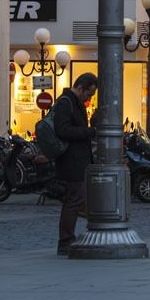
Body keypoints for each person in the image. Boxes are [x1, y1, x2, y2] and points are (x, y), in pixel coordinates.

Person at [53, 73, 98, 257]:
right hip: (71, 161)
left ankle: (69, 238)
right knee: (74, 201)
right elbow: (62, 130)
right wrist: (88, 132)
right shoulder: (66, 103)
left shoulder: (73, 102)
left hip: (77, 160)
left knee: (75, 200)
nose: (89, 98)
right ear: (80, 88)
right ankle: (65, 241)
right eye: (88, 94)